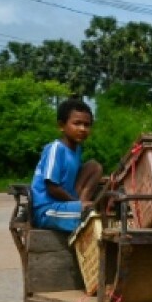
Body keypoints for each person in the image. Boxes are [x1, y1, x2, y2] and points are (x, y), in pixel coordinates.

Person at [30, 99, 103, 232]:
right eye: (77, 123)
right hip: (47, 209)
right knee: (94, 216)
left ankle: (81, 206)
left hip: (64, 204)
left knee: (94, 166)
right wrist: (76, 203)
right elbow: (52, 187)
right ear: (61, 126)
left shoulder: (77, 150)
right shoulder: (55, 149)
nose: (82, 129)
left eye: (87, 125)